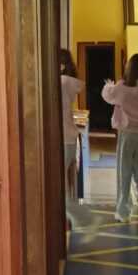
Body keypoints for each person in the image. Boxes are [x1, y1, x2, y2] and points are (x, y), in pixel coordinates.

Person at [102, 53, 138, 223]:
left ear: (129, 68)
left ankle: (123, 213)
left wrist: (108, 85)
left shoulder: (122, 87)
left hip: (127, 134)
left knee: (123, 174)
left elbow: (108, 96)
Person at [60, 48, 84, 199]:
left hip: (62, 135)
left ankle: (67, 209)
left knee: (59, 181)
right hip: (69, 135)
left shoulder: (61, 82)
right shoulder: (69, 82)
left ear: (62, 65)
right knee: (63, 179)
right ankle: (69, 209)